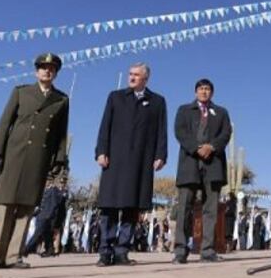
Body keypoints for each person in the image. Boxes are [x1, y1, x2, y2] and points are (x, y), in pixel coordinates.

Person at [0, 53, 70, 270]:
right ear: (36, 71)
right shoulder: (21, 92)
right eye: (43, 67)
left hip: (39, 157)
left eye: (51, 68)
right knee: (5, 203)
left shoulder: (61, 99)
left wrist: (59, 157)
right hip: (14, 153)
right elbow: (5, 123)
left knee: (26, 206)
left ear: (55, 73)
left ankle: (14, 256)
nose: (47, 71)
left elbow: (61, 133)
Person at [95, 62, 167, 267]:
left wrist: (161, 155)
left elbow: (161, 131)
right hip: (115, 159)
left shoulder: (157, 101)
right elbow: (105, 126)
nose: (132, 77)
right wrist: (101, 151)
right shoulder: (115, 97)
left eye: (136, 74)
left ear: (146, 78)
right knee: (109, 206)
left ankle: (122, 251)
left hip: (141, 160)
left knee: (131, 206)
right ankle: (105, 251)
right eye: (130, 74)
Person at [172, 78, 232, 264]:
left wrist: (211, 147)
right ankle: (180, 251)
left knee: (211, 209)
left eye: (207, 89)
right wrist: (196, 148)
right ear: (195, 91)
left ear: (211, 92)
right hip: (190, 163)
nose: (204, 92)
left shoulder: (221, 112)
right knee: (184, 208)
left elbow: (226, 133)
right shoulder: (184, 110)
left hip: (213, 164)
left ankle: (207, 250)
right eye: (201, 88)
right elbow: (180, 132)